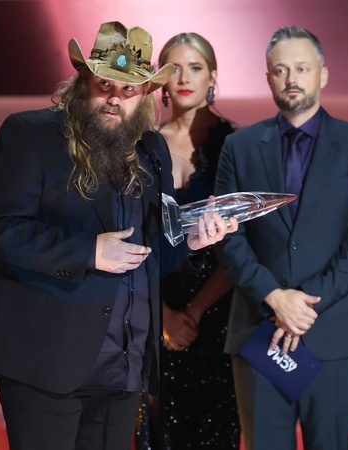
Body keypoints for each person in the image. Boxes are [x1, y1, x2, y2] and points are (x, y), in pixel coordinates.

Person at [0, 21, 237, 450]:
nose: (115, 97)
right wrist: (88, 251)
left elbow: (147, 254)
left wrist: (191, 241)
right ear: (83, 81)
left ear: (145, 94)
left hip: (123, 366)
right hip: (46, 362)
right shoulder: (30, 134)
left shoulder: (152, 150)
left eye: (129, 89)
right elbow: (1, 228)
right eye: (105, 83)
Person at [214, 26, 348, 450]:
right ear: (268, 78)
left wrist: (304, 306)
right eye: (280, 70)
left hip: (336, 332)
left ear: (323, 75)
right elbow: (228, 237)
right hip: (260, 329)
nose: (291, 78)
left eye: (302, 68)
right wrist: (274, 297)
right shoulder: (239, 147)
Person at [135, 32, 241, 449]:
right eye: (174, 68)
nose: (183, 78)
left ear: (212, 76)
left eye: (195, 67)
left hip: (218, 311)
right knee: (159, 431)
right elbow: (132, 234)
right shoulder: (141, 145)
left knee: (216, 428)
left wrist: (193, 312)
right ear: (161, 79)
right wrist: (162, 315)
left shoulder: (237, 144)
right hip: (151, 307)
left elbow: (244, 242)